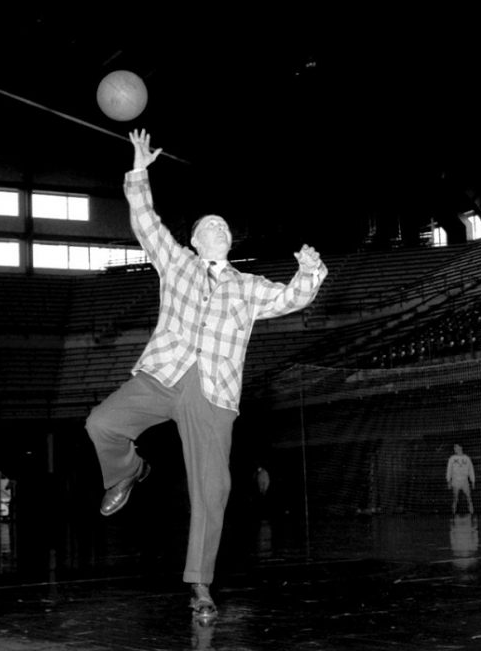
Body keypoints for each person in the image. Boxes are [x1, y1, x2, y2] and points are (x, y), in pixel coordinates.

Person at [85, 129, 327, 622]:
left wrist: (310, 274)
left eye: (223, 225)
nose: (217, 227)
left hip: (212, 392)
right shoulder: (176, 263)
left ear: (229, 240)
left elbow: (291, 299)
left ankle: (199, 586)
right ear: (194, 240)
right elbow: (146, 223)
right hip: (163, 375)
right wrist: (138, 170)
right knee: (100, 424)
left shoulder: (249, 286)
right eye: (208, 225)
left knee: (212, 490)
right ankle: (129, 470)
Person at [446, 443, 475, 515]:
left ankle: (472, 514)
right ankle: (453, 514)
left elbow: (471, 470)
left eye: (456, 447)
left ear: (460, 447)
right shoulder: (452, 458)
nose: (454, 449)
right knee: (455, 499)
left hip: (465, 481)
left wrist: (473, 481)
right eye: (454, 447)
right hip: (455, 482)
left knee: (469, 498)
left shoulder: (467, 458)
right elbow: (449, 470)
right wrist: (448, 481)